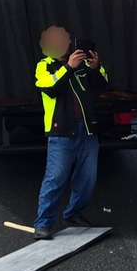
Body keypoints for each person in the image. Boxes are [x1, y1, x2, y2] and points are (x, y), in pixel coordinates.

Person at [32, 25, 108, 240]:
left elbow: (102, 85)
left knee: (87, 177)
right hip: (61, 132)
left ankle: (73, 213)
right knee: (55, 177)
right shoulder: (45, 66)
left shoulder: (82, 65)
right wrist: (68, 68)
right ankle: (43, 223)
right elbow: (50, 88)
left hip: (87, 130)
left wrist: (95, 67)